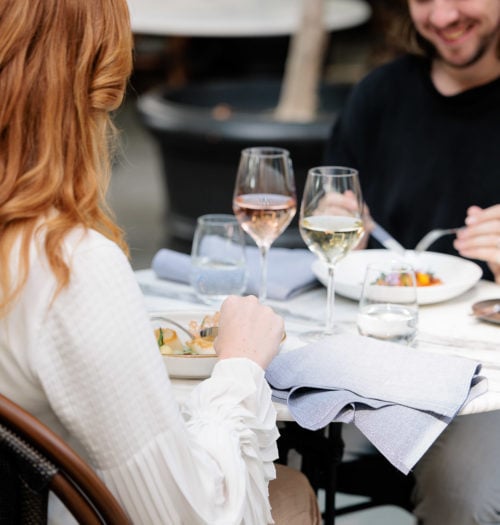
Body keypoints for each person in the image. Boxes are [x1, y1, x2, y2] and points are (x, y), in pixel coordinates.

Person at [0, 1, 321, 524]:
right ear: (96, 86)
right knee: (290, 490)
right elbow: (187, 516)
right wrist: (239, 364)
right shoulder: (67, 266)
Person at [325, 0, 500, 523]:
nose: (443, 17)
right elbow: (334, 211)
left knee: (462, 496)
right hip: (372, 364)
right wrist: (339, 227)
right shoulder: (381, 93)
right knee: (256, 446)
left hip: (486, 385)